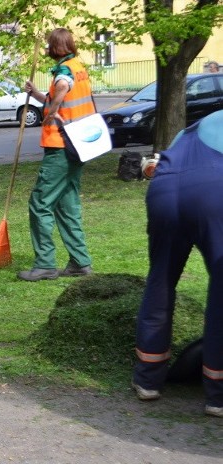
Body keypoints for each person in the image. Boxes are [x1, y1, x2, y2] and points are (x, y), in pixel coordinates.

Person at [132, 109, 223, 418]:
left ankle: (148, 379)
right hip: (213, 191)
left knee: (160, 280)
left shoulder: (198, 126)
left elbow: (158, 163)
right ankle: (217, 395)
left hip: (164, 188)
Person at [17, 28, 96, 282]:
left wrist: (53, 111)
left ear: (55, 47)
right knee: (66, 204)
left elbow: (63, 87)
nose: (47, 49)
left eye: (49, 45)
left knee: (40, 203)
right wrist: (37, 94)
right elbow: (58, 95)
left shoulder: (63, 71)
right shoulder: (78, 66)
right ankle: (80, 262)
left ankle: (45, 265)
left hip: (61, 146)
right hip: (79, 145)